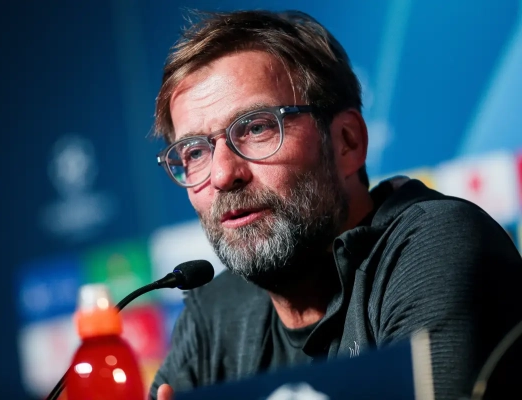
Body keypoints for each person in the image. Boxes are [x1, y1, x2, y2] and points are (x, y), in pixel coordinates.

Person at [149, 9, 522, 400]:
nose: (223, 174)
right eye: (194, 152)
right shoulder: (213, 315)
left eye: (257, 128)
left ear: (347, 141)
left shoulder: (433, 248)